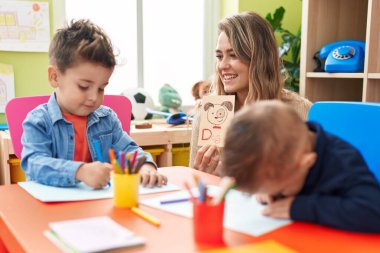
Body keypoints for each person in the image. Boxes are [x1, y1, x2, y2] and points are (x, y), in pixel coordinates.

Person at [21, 20, 167, 189]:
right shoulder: (38, 120)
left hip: (96, 205)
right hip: (49, 208)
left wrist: (145, 166)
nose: (93, 97)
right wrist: (79, 171)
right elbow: (34, 163)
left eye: (101, 88)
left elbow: (129, 150)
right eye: (84, 86)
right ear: (55, 76)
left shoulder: (107, 119)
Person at [220, 100, 380, 233]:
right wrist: (266, 193)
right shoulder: (284, 150)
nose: (277, 196)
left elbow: (373, 212)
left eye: (280, 191)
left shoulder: (343, 163)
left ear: (306, 163)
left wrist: (300, 207)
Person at [190, 11, 312, 174]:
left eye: (233, 55)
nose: (222, 66)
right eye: (219, 56)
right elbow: (196, 182)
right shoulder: (209, 114)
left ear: (260, 59)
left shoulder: (301, 112)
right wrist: (201, 174)